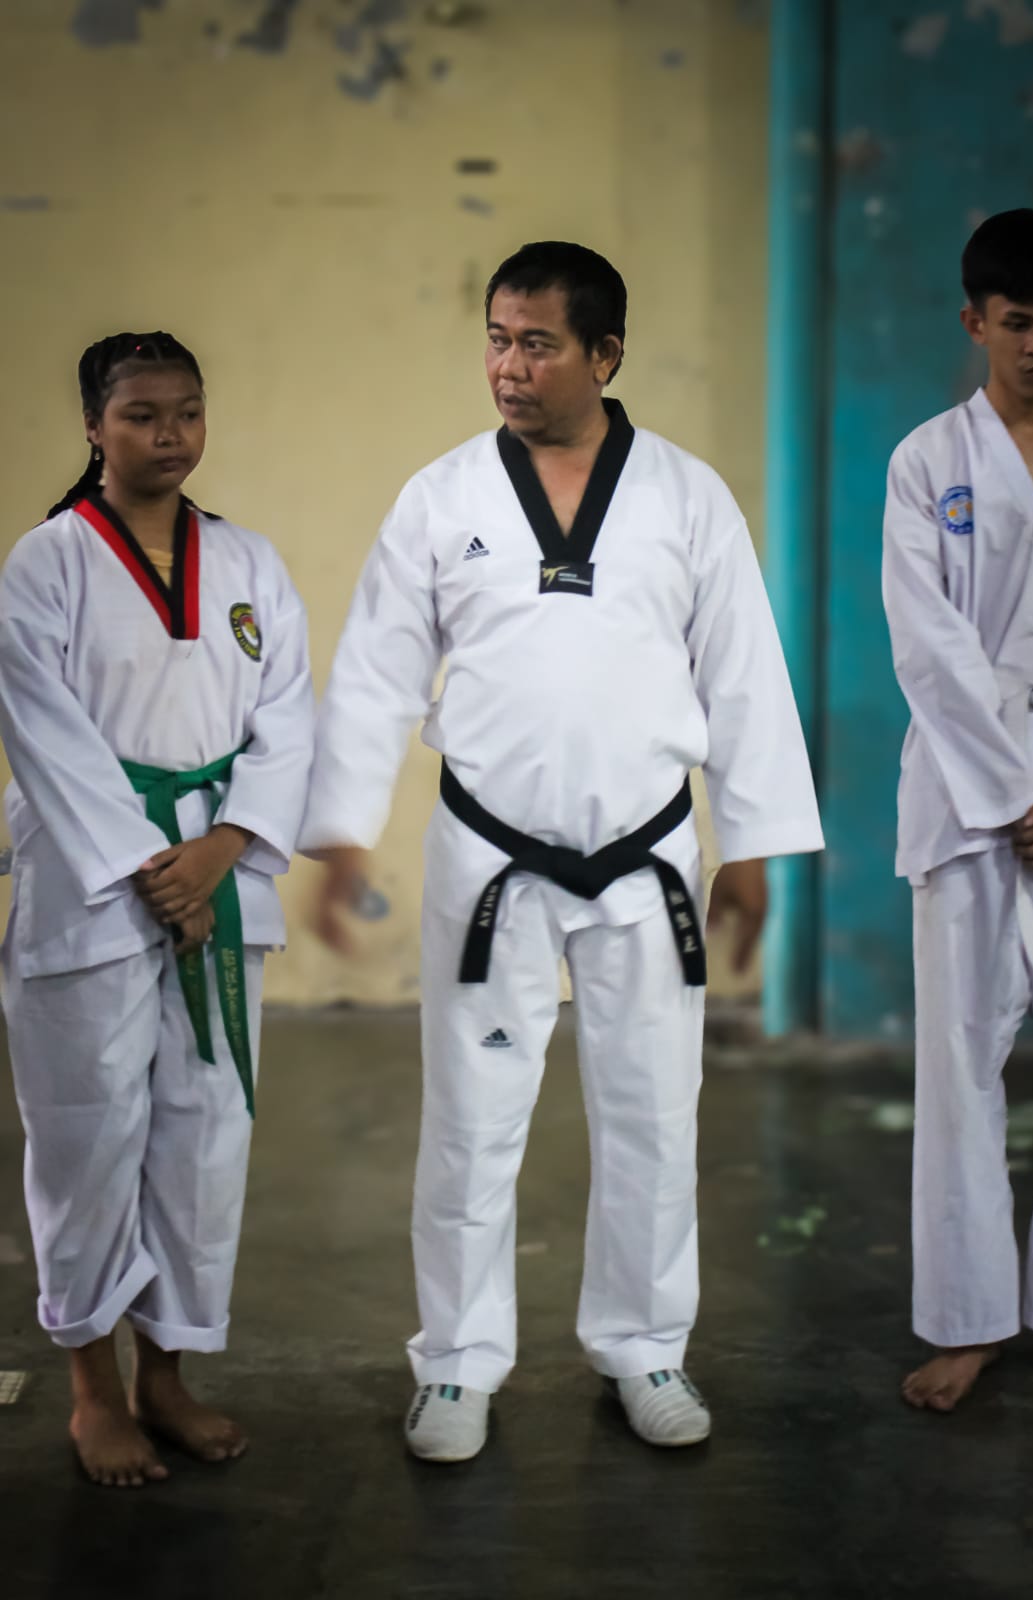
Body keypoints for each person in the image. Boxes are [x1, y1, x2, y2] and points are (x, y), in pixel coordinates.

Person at [303, 242, 822, 1462]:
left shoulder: (688, 497)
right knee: (474, 1117)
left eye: (536, 342)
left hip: (648, 860)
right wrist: (335, 839)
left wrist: (747, 850)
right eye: (495, 336)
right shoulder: (441, 497)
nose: (507, 364)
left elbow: (743, 676)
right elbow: (377, 673)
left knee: (653, 1112)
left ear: (605, 353)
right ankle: (455, 1365)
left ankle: (645, 1346)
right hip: (490, 859)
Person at [0, 332, 313, 1485]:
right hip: (94, 892)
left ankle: (167, 1375)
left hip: (219, 887)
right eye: (141, 414)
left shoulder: (249, 561)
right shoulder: (47, 562)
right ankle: (91, 1390)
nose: (168, 433)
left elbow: (289, 718)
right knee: (88, 1140)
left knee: (202, 1137)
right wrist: (152, 861)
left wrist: (223, 848)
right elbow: (44, 734)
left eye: (186, 412)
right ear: (94, 426)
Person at [882, 209, 1033, 1413]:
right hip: (967, 786)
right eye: (1017, 323)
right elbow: (927, 645)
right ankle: (968, 1318)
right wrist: (1013, 794)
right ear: (973, 322)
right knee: (959, 1058)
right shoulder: (925, 460)